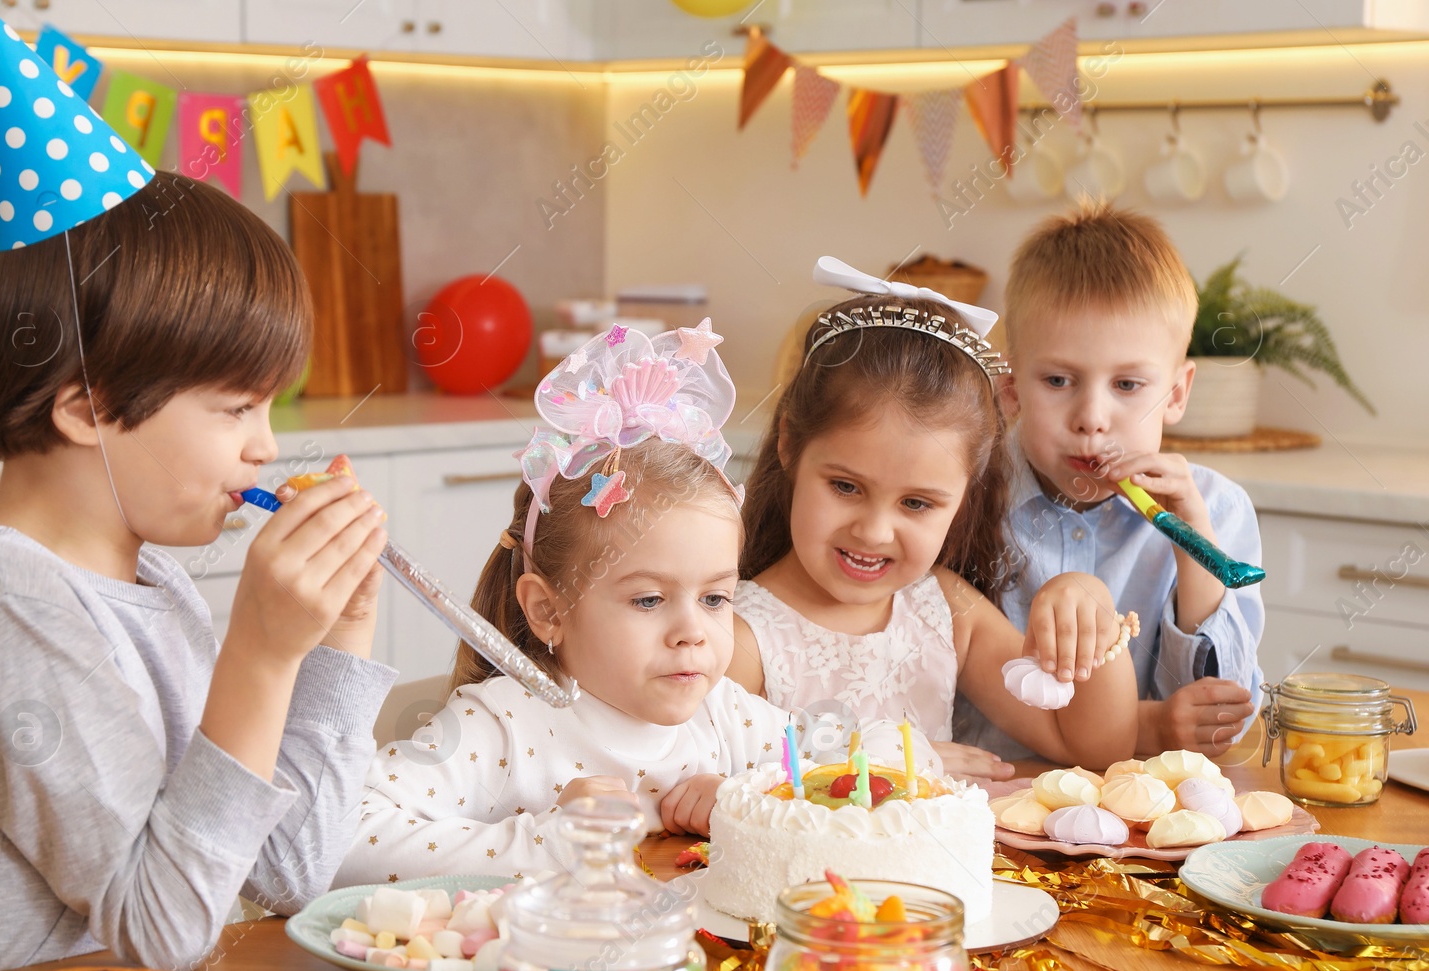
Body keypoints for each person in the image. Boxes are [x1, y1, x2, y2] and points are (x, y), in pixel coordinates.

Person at [0, 4, 394, 971]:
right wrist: (260, 650)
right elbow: (163, 926)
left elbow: (285, 871)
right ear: (89, 405)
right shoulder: (4, 608)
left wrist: (339, 639)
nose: (265, 444)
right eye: (237, 406)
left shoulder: (154, 582)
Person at [335, 322, 935, 886]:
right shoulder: (504, 726)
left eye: (715, 598)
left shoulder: (724, 716)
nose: (692, 633)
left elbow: (891, 753)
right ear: (548, 611)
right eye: (649, 599)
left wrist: (756, 792)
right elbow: (339, 837)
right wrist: (551, 841)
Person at [728, 257, 1140, 780]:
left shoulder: (944, 608)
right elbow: (707, 791)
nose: (874, 531)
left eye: (916, 504)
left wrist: (1090, 605)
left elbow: (1094, 748)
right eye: (845, 487)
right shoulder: (739, 635)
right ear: (790, 444)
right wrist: (889, 762)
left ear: (966, 494)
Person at [951, 201, 1263, 763]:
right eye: (1058, 379)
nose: (1092, 416)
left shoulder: (1218, 508)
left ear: (1175, 393)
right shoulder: (964, 493)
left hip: (1153, 815)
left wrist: (1193, 541)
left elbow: (1224, 715)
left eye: (1126, 385)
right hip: (994, 806)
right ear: (1012, 386)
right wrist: (1149, 724)